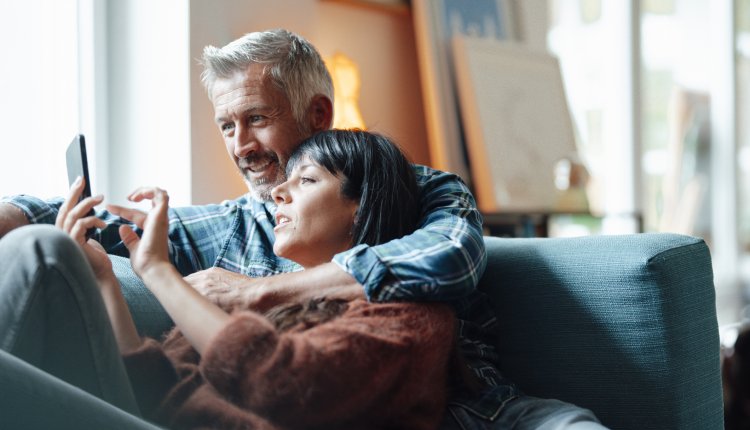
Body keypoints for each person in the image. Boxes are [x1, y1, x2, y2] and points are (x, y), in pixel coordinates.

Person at [0, 29, 605, 429]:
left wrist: (257, 292)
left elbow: (447, 262)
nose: (241, 147)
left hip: (479, 408)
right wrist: (42, 226)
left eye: (257, 119)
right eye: (226, 126)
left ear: (317, 115)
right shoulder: (243, 220)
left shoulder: (413, 192)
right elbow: (119, 237)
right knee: (40, 247)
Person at [0, 129, 457, 429]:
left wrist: (159, 272)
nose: (279, 190)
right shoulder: (260, 302)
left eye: (308, 181)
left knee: (42, 250)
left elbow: (283, 384)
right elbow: (153, 388)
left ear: (362, 206)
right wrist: (103, 279)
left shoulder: (409, 318)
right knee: (51, 250)